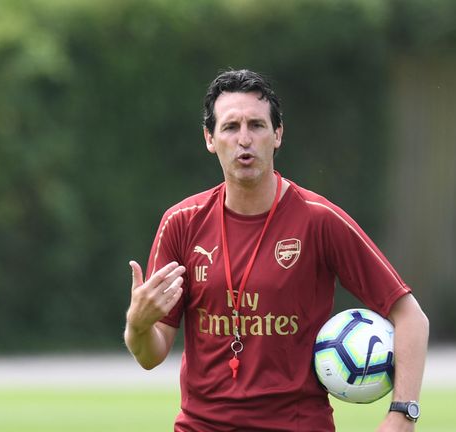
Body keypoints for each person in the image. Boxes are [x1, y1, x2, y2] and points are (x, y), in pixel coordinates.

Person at [124, 69, 429, 431]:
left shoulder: (319, 220)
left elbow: (411, 318)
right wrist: (137, 326)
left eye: (256, 125)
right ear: (210, 138)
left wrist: (402, 414)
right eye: (230, 127)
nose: (244, 140)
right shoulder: (182, 222)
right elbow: (150, 355)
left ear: (277, 135)